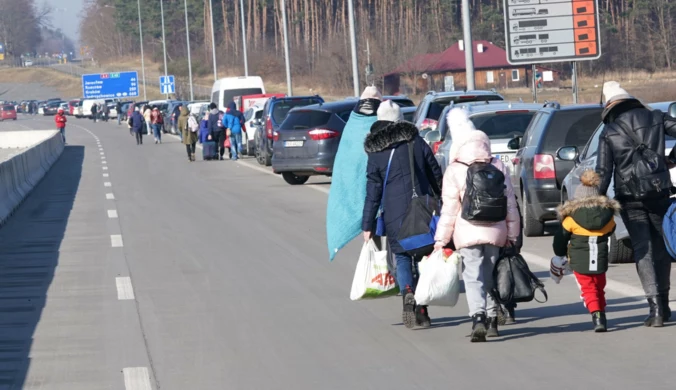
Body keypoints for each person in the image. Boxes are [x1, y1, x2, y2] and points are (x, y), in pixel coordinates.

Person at [433, 108, 519, 343]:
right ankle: (492, 320)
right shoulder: (498, 166)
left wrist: (441, 240)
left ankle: (478, 317)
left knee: (473, 276)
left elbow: (449, 210)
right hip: (496, 230)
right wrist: (512, 234)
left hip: (467, 230)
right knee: (490, 274)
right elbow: (511, 204)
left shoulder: (455, 169)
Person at [596, 81, 676, 327]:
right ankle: (664, 304)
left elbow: (603, 171)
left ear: (609, 106)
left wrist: (596, 202)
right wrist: (670, 160)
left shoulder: (609, 132)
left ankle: (654, 310)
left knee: (643, 249)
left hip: (629, 198)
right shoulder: (655, 117)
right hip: (659, 192)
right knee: (661, 249)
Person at [362, 101, 443, 329]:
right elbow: (435, 172)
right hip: (423, 210)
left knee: (403, 256)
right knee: (426, 256)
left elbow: (372, 192)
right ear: (399, 119)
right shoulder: (415, 141)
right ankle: (423, 309)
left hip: (394, 214)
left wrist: (367, 224)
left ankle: (407, 290)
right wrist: (442, 200)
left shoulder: (376, 152)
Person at [553, 170, 619, 333]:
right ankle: (601, 312)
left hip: (579, 259)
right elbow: (611, 230)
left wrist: (560, 253)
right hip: (600, 258)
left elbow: (560, 240)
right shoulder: (607, 217)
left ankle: (597, 316)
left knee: (588, 289)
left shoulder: (571, 218)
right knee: (599, 287)